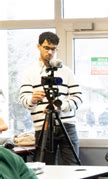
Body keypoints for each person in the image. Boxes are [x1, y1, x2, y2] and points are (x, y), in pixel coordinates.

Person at [19, 31, 83, 165]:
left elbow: (78, 98)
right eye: (46, 48)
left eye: (53, 49)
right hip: (43, 125)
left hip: (67, 125)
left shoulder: (66, 71)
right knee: (45, 169)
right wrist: (32, 99)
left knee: (73, 167)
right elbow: (24, 100)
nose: (50, 52)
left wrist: (61, 106)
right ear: (38, 47)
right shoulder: (29, 72)